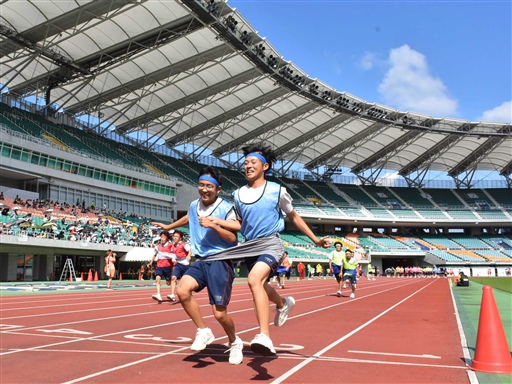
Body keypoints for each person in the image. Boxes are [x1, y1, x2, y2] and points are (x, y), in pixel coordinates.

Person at [218, 143, 331, 356]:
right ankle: (282, 303)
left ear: (265, 166)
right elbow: (240, 224)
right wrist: (218, 223)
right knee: (259, 285)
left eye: (253, 162)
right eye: (245, 163)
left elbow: (294, 217)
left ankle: (264, 335)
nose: (248, 166)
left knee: (253, 280)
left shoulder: (277, 191)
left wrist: (315, 240)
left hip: (271, 243)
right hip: (250, 247)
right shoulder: (238, 194)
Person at [153, 167, 243, 365]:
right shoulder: (194, 205)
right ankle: (203, 330)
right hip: (201, 260)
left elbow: (233, 238)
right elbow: (188, 217)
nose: (204, 189)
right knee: (182, 291)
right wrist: (169, 227)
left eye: (209, 186)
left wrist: (213, 225)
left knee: (219, 313)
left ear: (218, 189)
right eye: (201, 185)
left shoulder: (225, 208)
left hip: (221, 260)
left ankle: (235, 342)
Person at [148, 231, 175, 303]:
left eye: (163, 237)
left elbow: (174, 255)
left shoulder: (170, 245)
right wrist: (151, 262)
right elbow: (154, 255)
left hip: (168, 266)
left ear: (167, 238)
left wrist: (172, 259)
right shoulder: (158, 246)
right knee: (157, 279)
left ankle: (172, 293)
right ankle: (158, 294)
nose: (162, 239)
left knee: (168, 282)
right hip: (159, 265)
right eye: (161, 237)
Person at [167, 230, 192, 302]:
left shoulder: (184, 244)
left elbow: (190, 250)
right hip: (178, 264)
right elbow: (173, 253)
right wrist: (173, 258)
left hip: (185, 265)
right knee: (173, 278)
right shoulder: (173, 246)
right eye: (174, 236)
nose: (174, 238)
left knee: (185, 282)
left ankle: (188, 294)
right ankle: (172, 295)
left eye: (176, 236)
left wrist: (189, 255)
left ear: (180, 238)